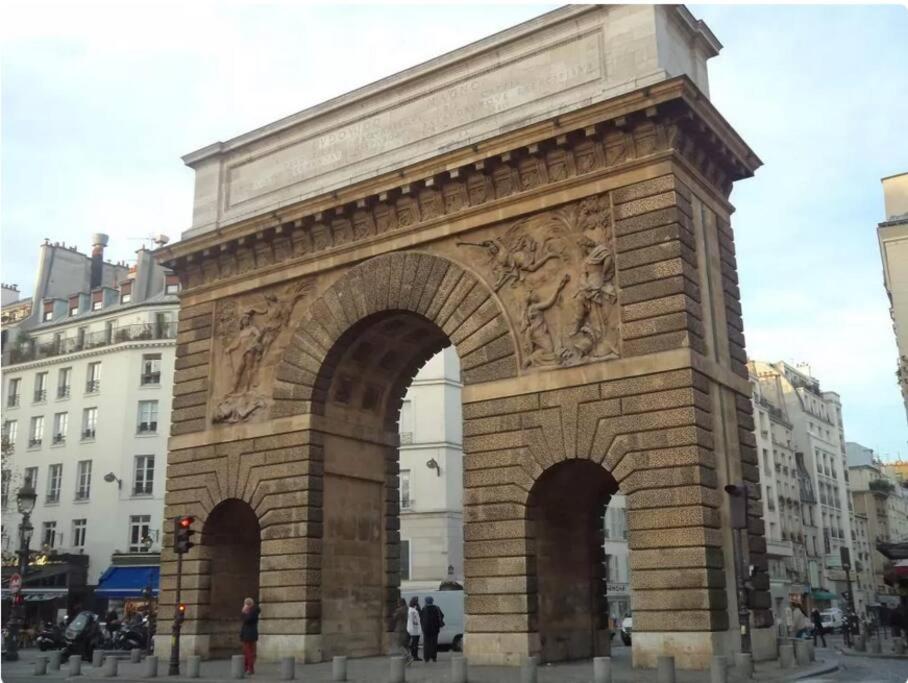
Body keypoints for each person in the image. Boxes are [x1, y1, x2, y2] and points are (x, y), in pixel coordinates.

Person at [420, 596, 445, 663]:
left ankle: (426, 658)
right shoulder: (437, 608)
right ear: (432, 601)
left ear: (426, 601)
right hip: (435, 629)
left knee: (426, 644)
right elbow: (442, 615)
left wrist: (423, 627)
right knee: (434, 643)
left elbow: (421, 618)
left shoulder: (424, 609)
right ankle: (433, 657)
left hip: (426, 629)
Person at [240, 597, 261, 675]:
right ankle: (245, 668)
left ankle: (250, 668)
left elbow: (246, 620)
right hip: (248, 634)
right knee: (246, 652)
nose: (244, 606)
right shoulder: (252, 611)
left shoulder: (253, 612)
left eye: (245, 604)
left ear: (248, 605)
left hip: (249, 634)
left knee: (249, 653)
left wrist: (243, 612)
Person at [391, 598, 411, 662]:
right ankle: (408, 658)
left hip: (400, 629)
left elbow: (394, 617)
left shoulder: (399, 610)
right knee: (406, 644)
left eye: (398, 603)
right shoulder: (408, 609)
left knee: (399, 644)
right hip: (408, 628)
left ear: (400, 603)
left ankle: (407, 656)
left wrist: (395, 613)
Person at [407, 596, 422, 662]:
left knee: (414, 643)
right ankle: (414, 656)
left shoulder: (411, 609)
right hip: (414, 630)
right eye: (417, 601)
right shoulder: (413, 611)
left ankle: (414, 656)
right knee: (415, 644)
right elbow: (414, 621)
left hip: (412, 629)